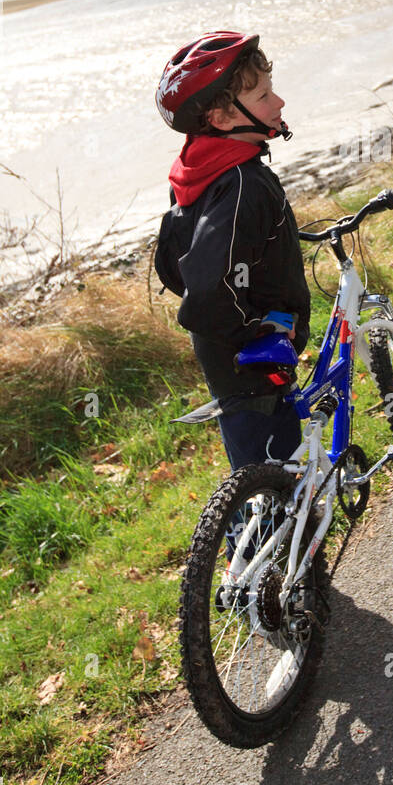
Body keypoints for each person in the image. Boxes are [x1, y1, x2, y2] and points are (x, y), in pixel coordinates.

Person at [154, 31, 311, 474]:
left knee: (254, 469)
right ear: (222, 118)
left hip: (226, 359)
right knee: (275, 480)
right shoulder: (244, 182)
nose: (278, 102)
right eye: (263, 95)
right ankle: (284, 541)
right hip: (251, 357)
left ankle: (267, 530)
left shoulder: (201, 165)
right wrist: (258, 333)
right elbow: (207, 291)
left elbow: (204, 253)